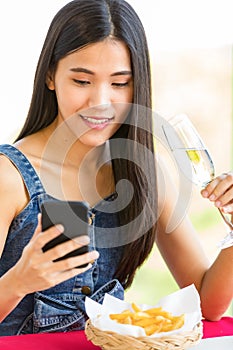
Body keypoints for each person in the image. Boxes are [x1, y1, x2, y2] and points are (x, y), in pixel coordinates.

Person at [0, 0, 232, 336]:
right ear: (51, 75)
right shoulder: (9, 176)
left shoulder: (143, 171)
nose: (101, 102)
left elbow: (208, 303)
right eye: (82, 81)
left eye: (120, 83)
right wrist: (20, 280)